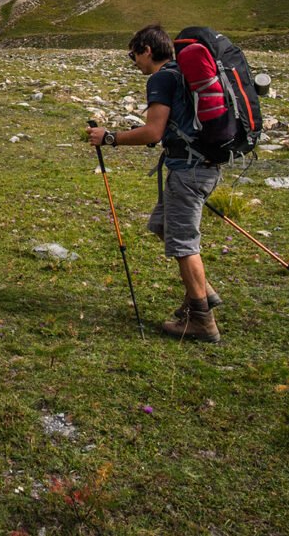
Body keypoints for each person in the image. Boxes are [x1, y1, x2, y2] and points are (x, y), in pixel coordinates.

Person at [87, 24, 223, 342]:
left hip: (189, 171)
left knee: (183, 243)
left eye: (133, 54)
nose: (133, 61)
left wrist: (109, 138)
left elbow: (153, 132)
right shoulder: (180, 73)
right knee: (162, 225)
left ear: (147, 50)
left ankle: (202, 320)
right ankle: (203, 293)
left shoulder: (162, 77)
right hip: (201, 166)